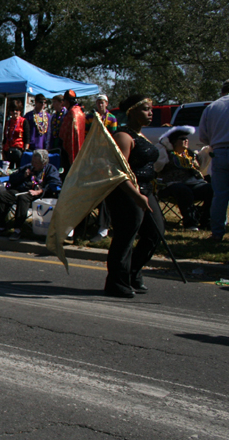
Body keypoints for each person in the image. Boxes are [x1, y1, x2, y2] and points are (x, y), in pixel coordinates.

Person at [104, 95, 164, 298]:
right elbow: (118, 173)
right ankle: (116, 282)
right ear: (132, 112)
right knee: (125, 236)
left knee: (155, 233)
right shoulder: (123, 136)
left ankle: (132, 273)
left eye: (151, 109)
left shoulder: (141, 136)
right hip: (126, 192)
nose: (150, 113)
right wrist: (136, 196)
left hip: (146, 190)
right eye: (146, 109)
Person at [0, 149, 61, 241]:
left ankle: (17, 230)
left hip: (37, 193)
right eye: (32, 161)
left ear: (43, 163)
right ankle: (1, 227)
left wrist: (40, 191)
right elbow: (12, 179)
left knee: (23, 198)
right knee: (1, 195)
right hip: (20, 190)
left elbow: (56, 183)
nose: (33, 164)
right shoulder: (28, 167)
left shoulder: (50, 169)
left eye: (36, 162)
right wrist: (23, 176)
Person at [198, 78, 229, 242]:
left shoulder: (212, 107)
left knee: (220, 196)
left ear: (222, 90)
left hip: (218, 152)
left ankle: (217, 232)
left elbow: (203, 136)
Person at [155, 126, 213, 230]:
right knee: (183, 190)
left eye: (187, 138)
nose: (186, 140)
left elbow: (202, 164)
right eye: (182, 138)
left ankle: (205, 220)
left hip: (192, 184)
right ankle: (190, 223)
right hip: (170, 186)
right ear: (173, 142)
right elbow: (157, 167)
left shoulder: (190, 154)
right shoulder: (166, 154)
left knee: (211, 189)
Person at [85, 95, 118, 242]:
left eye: (103, 102)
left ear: (107, 103)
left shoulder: (112, 118)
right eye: (98, 102)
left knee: (104, 193)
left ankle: (103, 228)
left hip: (106, 154)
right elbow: (86, 134)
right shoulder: (90, 117)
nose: (100, 104)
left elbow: (114, 136)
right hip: (93, 153)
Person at [58, 90, 86, 172]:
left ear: (67, 101)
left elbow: (64, 132)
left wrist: (61, 140)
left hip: (69, 146)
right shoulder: (80, 111)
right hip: (80, 145)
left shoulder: (72, 112)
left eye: (65, 101)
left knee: (68, 169)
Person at [2, 99, 27, 168]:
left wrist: (25, 151)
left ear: (20, 111)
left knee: (19, 169)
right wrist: (3, 150)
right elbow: (5, 137)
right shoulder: (8, 122)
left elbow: (27, 138)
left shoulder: (23, 121)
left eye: (17, 110)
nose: (14, 112)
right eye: (12, 110)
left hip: (19, 149)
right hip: (8, 149)